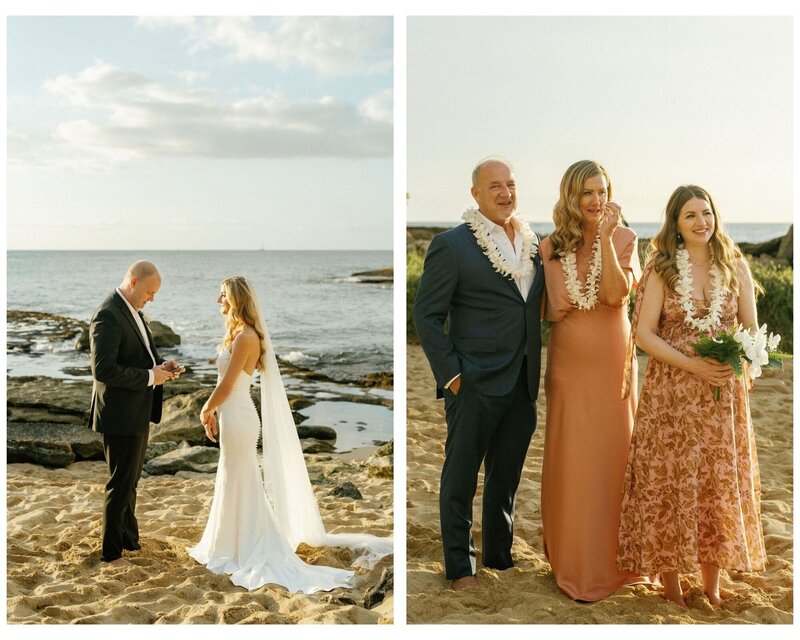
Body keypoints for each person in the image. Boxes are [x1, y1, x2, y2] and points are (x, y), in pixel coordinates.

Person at [188, 276, 391, 593]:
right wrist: (215, 410)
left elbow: (227, 385)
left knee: (239, 478)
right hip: (234, 414)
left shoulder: (246, 337)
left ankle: (240, 545)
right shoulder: (242, 334)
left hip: (238, 415)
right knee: (234, 478)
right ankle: (228, 542)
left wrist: (206, 409)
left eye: (223, 295)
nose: (219, 301)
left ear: (238, 299)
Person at [617, 185, 766, 608]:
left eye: (706, 213)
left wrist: (742, 360)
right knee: (669, 478)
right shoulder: (662, 269)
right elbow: (644, 334)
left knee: (716, 484)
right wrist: (693, 364)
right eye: (690, 216)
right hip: (672, 393)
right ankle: (670, 586)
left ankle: (713, 586)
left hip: (723, 395)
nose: (702, 222)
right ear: (676, 225)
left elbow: (751, 326)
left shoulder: (735, 267)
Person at [412, 157, 544, 590]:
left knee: (505, 477)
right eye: (495, 187)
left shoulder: (532, 244)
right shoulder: (452, 244)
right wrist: (451, 375)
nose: (506, 193)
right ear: (475, 194)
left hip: (522, 380)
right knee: (461, 477)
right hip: (473, 382)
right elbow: (427, 316)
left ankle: (500, 557)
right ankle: (460, 566)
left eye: (510, 184)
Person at [539, 160, 644, 601]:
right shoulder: (549, 245)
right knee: (572, 457)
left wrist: (603, 239)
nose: (596, 200)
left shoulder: (625, 238)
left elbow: (616, 295)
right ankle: (572, 558)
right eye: (586, 192)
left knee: (613, 454)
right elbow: (553, 307)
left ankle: (616, 562)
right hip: (567, 363)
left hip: (610, 359)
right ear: (571, 196)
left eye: (602, 191)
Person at [89, 260, 183, 565]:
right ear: (133, 282)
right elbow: (103, 370)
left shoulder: (133, 313)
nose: (152, 298)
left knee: (131, 483)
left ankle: (129, 541)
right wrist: (148, 378)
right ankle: (111, 553)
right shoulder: (108, 314)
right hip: (119, 414)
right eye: (150, 291)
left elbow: (143, 357)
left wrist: (161, 368)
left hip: (137, 411)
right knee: (119, 484)